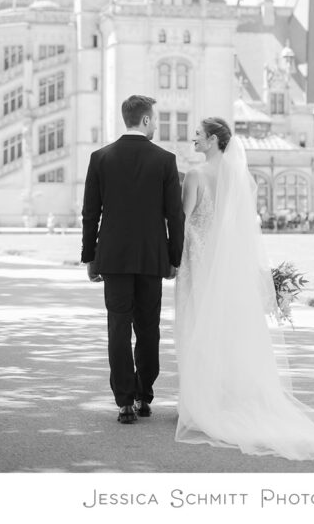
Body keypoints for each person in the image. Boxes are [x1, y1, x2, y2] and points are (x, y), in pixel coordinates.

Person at [174, 117, 314, 460]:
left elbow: (185, 221)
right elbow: (246, 228)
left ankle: (201, 403)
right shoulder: (242, 179)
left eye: (199, 135)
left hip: (200, 264)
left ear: (215, 140)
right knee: (230, 331)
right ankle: (229, 397)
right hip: (232, 270)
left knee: (198, 328)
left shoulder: (196, 175)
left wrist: (176, 257)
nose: (194, 140)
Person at [81, 95, 185, 424]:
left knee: (118, 327)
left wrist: (89, 256)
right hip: (153, 259)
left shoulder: (100, 158)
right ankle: (144, 394)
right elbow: (175, 216)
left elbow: (90, 214)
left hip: (112, 258)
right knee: (148, 328)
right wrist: (175, 258)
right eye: (153, 119)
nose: (155, 124)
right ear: (144, 121)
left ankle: (124, 402)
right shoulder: (165, 160)